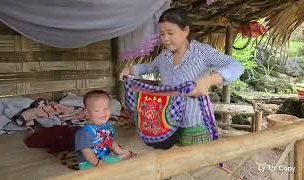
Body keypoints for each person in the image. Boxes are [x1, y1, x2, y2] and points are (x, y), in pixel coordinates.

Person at [120, 8, 244, 147]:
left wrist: (210, 80)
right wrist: (130, 70)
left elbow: (236, 65)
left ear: (185, 31)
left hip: (195, 125)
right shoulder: (164, 57)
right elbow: (151, 70)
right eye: (161, 34)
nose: (165, 38)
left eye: (170, 33)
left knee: (196, 164)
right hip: (166, 122)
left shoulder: (202, 52)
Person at [75, 90, 131, 170]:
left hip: (105, 158)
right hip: (89, 163)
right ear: (87, 113)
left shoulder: (108, 127)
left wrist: (119, 151)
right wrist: (97, 163)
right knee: (116, 163)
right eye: (97, 110)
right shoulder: (85, 132)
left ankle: (117, 158)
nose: (103, 113)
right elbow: (86, 151)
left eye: (106, 108)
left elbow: (111, 141)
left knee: (123, 161)